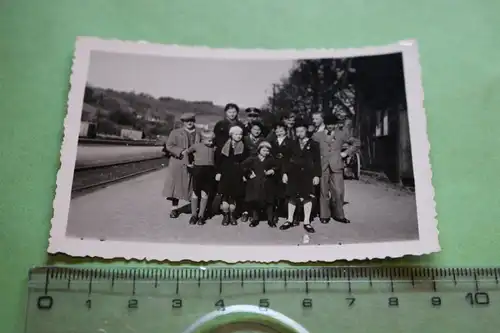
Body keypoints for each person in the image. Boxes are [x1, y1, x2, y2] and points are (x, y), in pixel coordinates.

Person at [312, 113, 360, 224]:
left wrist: (346, 153)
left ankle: (339, 215)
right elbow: (312, 149)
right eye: (328, 124)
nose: (330, 127)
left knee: (338, 191)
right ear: (325, 124)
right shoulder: (317, 135)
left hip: (337, 165)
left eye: (333, 124)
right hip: (322, 166)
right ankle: (324, 215)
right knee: (323, 191)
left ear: (336, 124)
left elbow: (356, 143)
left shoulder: (342, 134)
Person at [280, 119, 321, 233]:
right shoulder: (291, 144)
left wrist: (317, 175)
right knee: (292, 196)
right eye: (297, 132)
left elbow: (317, 161)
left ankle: (307, 222)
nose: (299, 134)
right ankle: (289, 220)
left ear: (306, 131)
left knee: (307, 197)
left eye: (302, 131)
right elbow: (285, 160)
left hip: (308, 175)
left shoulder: (313, 144)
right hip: (293, 174)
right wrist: (284, 173)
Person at [163, 112, 201, 218]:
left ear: (194, 121)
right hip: (178, 162)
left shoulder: (199, 133)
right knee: (175, 186)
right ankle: (174, 208)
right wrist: (181, 151)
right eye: (186, 121)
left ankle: (195, 208)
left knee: (194, 185)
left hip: (195, 162)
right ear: (183, 122)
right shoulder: (175, 132)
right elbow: (169, 145)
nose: (189, 122)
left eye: (191, 120)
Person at [215, 125, 249, 226]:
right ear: (231, 135)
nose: (238, 136)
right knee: (225, 196)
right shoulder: (224, 146)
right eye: (236, 134)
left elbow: (246, 162)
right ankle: (225, 215)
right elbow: (219, 161)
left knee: (234, 196)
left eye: (240, 134)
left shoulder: (244, 147)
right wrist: (218, 172)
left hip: (237, 174)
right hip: (225, 174)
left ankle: (232, 215)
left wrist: (244, 174)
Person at [241, 141, 278, 228]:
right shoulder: (252, 158)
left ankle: (270, 219)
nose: (266, 153)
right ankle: (255, 219)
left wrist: (272, 170)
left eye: (268, 151)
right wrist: (249, 173)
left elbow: (277, 166)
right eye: (264, 150)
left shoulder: (270, 159)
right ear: (259, 150)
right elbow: (243, 166)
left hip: (267, 183)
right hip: (255, 183)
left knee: (269, 201)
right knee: (255, 201)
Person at [184, 131, 217, 225]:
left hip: (209, 172)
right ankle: (194, 215)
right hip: (198, 171)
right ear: (203, 140)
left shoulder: (213, 148)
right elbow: (186, 152)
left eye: (212, 140)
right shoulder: (196, 146)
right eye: (209, 141)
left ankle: (201, 215)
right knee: (195, 193)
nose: (211, 142)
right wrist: (188, 164)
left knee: (205, 194)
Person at [268, 120, 292, 222]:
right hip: (275, 169)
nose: (279, 132)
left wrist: (286, 171)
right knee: (274, 191)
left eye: (281, 130)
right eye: (277, 131)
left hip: (285, 169)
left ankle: (288, 213)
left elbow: (290, 158)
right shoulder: (273, 142)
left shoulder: (290, 142)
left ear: (286, 131)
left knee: (286, 191)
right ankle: (275, 213)